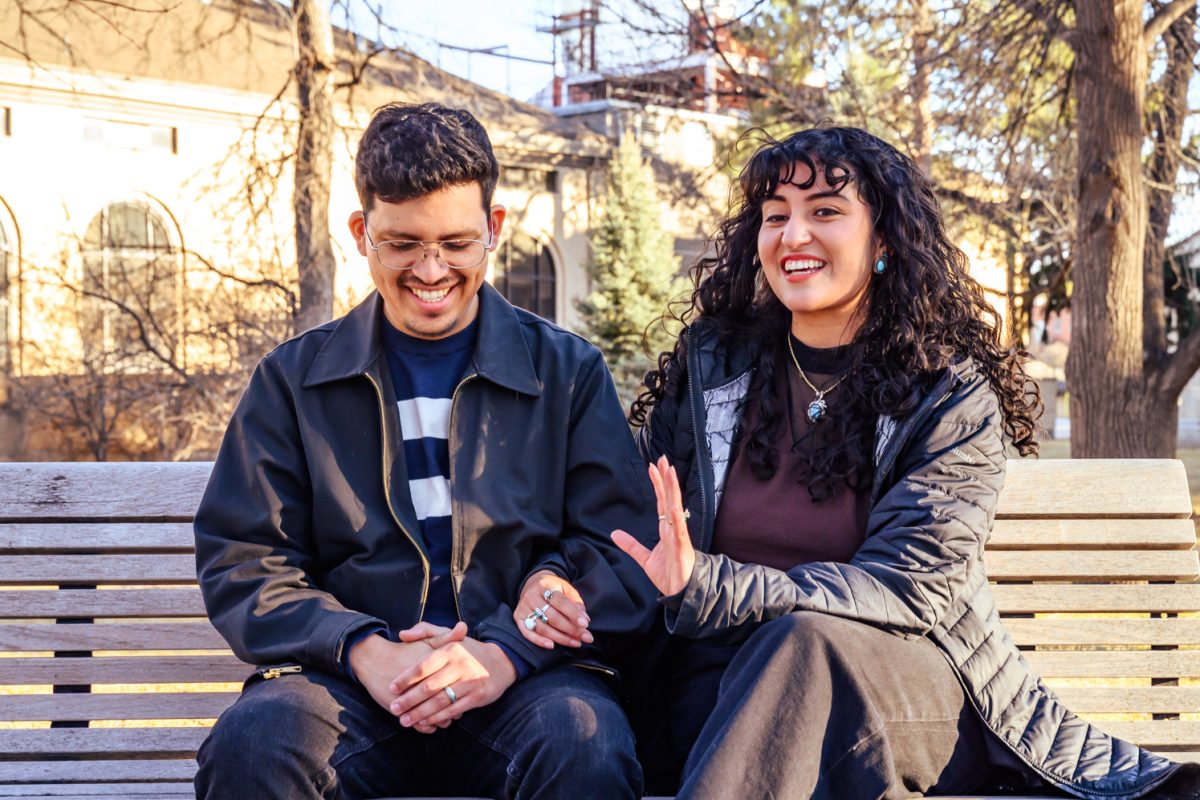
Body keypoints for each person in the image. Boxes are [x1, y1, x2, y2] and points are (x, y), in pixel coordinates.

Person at [514, 126, 1199, 799]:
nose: (793, 235)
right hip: (715, 698)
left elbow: (909, 588)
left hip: (902, 692)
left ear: (883, 242)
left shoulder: (946, 393)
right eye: (775, 216)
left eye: (826, 213)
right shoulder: (715, 371)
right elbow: (635, 530)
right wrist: (561, 581)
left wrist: (716, 584)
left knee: (800, 643)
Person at [193, 102, 658, 800]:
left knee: (586, 746)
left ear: (494, 231)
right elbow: (245, 561)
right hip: (347, 690)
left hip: (522, 685)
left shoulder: (566, 372)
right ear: (362, 233)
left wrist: (508, 647)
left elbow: (620, 549)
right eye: (404, 243)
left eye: (456, 243)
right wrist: (361, 648)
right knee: (255, 745)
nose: (432, 270)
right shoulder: (293, 381)